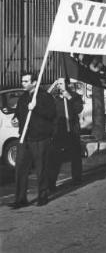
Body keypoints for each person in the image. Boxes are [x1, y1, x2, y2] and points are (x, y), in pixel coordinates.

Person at [12, 71, 57, 208]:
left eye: (26, 81)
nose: (23, 84)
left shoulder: (45, 97)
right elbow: (19, 113)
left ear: (34, 82)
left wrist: (36, 107)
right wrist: (15, 118)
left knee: (41, 168)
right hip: (24, 138)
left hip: (40, 138)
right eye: (22, 81)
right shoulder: (23, 97)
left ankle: (42, 196)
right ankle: (20, 199)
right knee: (20, 168)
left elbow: (51, 114)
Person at [47, 78, 84, 191]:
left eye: (61, 83)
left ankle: (77, 179)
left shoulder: (74, 96)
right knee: (55, 159)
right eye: (58, 84)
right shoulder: (54, 99)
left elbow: (78, 108)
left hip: (72, 131)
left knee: (76, 156)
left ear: (67, 85)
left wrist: (68, 97)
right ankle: (51, 184)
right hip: (59, 132)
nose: (60, 86)